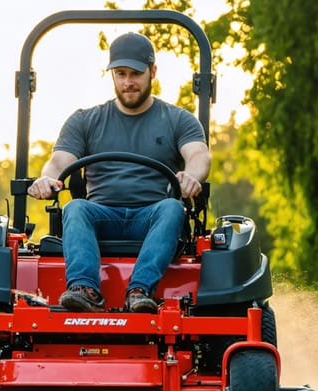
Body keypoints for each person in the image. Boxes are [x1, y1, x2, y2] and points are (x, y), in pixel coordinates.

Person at [27, 32, 211, 314]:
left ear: (153, 72)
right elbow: (59, 160)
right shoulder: (85, 120)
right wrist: (47, 178)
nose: (128, 82)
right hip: (101, 215)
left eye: (136, 74)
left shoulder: (177, 119)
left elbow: (199, 155)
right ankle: (84, 289)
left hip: (152, 217)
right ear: (112, 75)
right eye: (121, 74)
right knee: (75, 207)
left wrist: (192, 176)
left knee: (173, 208)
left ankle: (139, 290)